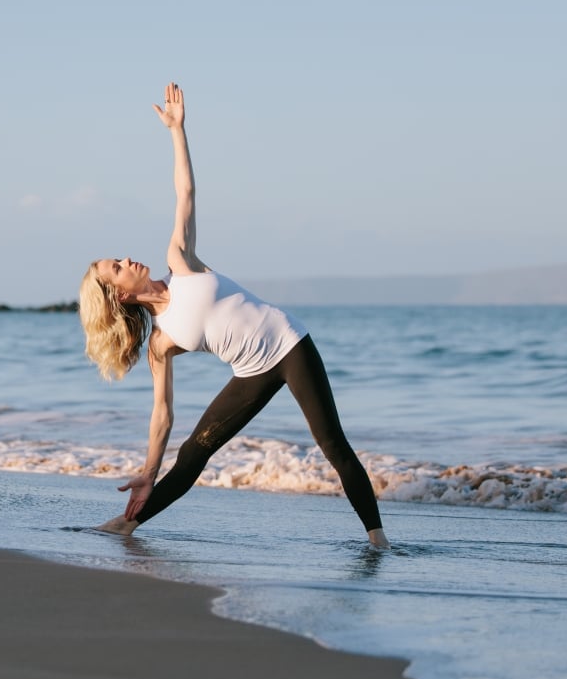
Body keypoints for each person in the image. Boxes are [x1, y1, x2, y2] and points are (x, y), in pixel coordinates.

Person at [79, 82, 390, 549]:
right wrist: (147, 472)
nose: (126, 261)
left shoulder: (180, 260)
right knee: (193, 452)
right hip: (251, 372)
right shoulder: (161, 343)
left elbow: (186, 190)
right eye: (116, 268)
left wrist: (177, 132)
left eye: (119, 257)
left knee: (332, 445)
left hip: (289, 344)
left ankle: (378, 539)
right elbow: (162, 414)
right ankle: (128, 524)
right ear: (118, 297)